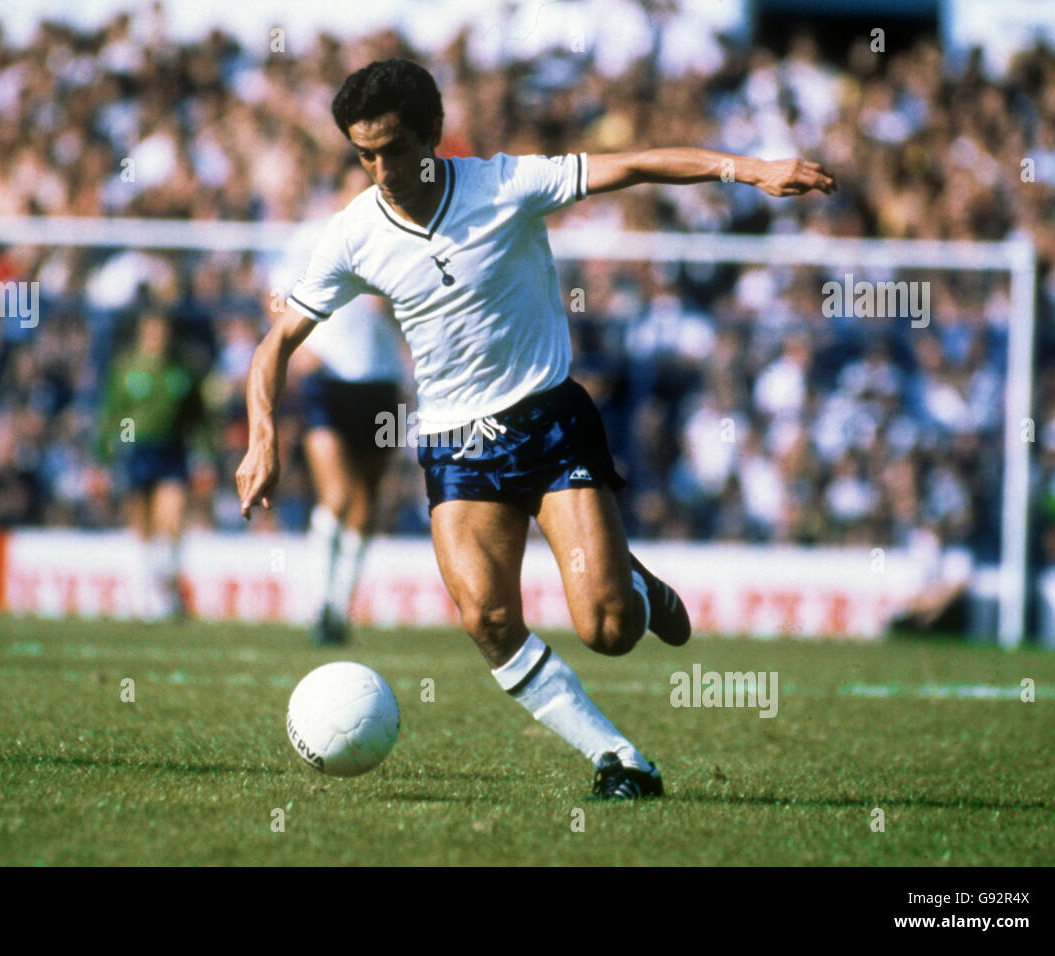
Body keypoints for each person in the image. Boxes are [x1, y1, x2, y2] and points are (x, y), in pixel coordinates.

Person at [236, 59, 835, 799]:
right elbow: (275, 344)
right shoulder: (354, 234)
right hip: (456, 445)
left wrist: (748, 169)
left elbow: (637, 164)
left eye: (395, 147)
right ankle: (620, 761)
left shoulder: (504, 184)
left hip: (548, 424)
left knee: (608, 629)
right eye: (366, 153)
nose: (383, 169)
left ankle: (635, 591)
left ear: (432, 132)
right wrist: (263, 436)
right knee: (488, 619)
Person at [272, 162, 408, 645]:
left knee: (366, 505)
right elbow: (275, 295)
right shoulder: (314, 237)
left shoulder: (400, 239)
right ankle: (315, 606)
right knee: (337, 496)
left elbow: (411, 315)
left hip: (382, 385)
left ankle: (338, 610)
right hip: (328, 380)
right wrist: (298, 347)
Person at [95, 311, 209, 620]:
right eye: (152, 331)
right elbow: (112, 414)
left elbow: (199, 419)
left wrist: (205, 456)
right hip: (136, 450)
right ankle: (144, 596)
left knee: (170, 523)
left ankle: (166, 591)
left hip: (172, 451)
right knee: (142, 527)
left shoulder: (184, 370)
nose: (157, 338)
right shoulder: (126, 368)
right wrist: (101, 459)